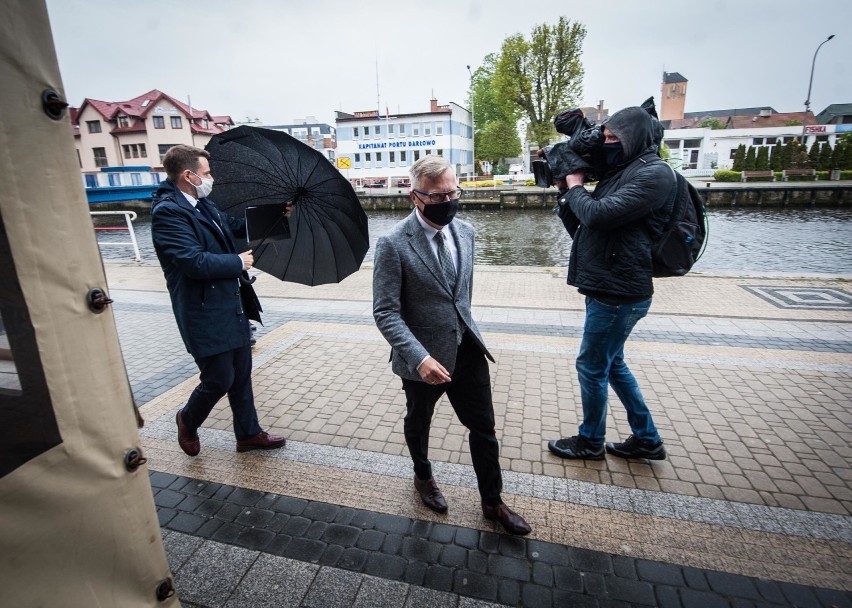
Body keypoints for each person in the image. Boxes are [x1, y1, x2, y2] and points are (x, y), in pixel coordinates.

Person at [373, 155, 531, 535]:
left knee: (484, 428)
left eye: (453, 193)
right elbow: (385, 312)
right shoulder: (393, 244)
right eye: (438, 196)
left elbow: (461, 297)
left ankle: (493, 502)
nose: (449, 202)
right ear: (416, 197)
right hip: (423, 359)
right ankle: (423, 475)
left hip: (467, 347)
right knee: (419, 421)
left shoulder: (467, 232)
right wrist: (419, 357)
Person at [547, 106, 674, 462]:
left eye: (614, 137)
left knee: (591, 366)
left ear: (634, 139)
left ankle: (590, 441)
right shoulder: (624, 170)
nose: (606, 142)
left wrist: (575, 185)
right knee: (612, 364)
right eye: (605, 135)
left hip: (619, 293)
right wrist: (566, 190)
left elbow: (597, 216)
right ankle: (647, 438)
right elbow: (585, 226)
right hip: (610, 287)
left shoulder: (655, 175)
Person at [151, 144, 288, 456]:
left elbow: (235, 227)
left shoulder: (203, 205)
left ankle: (249, 434)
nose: (211, 179)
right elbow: (192, 261)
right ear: (188, 175)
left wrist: (277, 213)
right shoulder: (169, 212)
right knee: (219, 378)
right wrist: (238, 262)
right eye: (207, 173)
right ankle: (187, 418)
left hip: (232, 303)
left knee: (240, 375)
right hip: (202, 310)